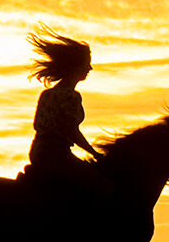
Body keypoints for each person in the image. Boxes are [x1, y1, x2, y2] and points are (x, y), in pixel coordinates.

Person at [21, 30, 110, 196]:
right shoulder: (70, 96)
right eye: (86, 64)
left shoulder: (46, 94)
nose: (90, 68)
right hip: (57, 155)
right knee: (98, 184)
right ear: (75, 66)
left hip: (37, 151)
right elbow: (71, 131)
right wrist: (95, 153)